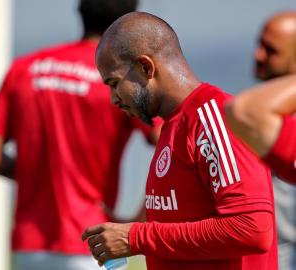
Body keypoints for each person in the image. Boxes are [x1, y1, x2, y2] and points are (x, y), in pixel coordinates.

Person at [82, 12, 278, 270]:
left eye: (115, 83)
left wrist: (136, 237)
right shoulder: (173, 127)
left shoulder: (214, 118)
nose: (113, 99)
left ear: (145, 68)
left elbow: (252, 228)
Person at [0, 1, 162, 270]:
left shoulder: (25, 68)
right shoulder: (119, 77)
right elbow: (171, 142)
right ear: (129, 22)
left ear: (80, 13)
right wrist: (140, 218)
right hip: (95, 242)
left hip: (31, 247)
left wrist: (41, 176)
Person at [225, 11, 296, 270]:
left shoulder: (253, 116)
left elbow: (246, 109)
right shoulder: (247, 120)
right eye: (259, 44)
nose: (258, 55)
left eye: (271, 50)